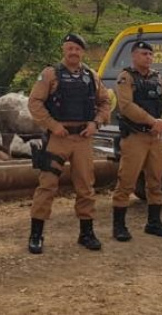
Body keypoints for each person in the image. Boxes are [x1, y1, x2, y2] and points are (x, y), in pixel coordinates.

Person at [27, 33, 110, 254]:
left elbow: (105, 102)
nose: (73, 52)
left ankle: (86, 233)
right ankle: (36, 234)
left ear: (83, 52)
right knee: (47, 185)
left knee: (86, 186)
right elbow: (34, 102)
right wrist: (52, 125)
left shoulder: (92, 76)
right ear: (64, 50)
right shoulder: (50, 74)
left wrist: (96, 123)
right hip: (58, 138)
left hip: (83, 138)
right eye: (70, 48)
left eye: (77, 49)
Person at [110, 40, 162, 241]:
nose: (147, 57)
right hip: (135, 136)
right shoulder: (126, 77)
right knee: (127, 181)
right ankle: (119, 226)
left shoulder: (157, 77)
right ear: (134, 56)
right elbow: (126, 105)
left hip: (155, 138)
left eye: (150, 54)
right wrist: (151, 121)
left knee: (156, 181)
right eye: (143, 53)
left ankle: (154, 223)